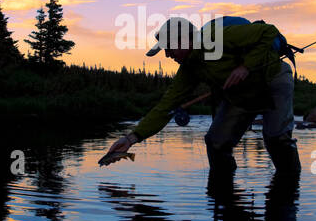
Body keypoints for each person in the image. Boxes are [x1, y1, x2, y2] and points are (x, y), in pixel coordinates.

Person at [106, 16, 301, 178]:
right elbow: (166, 106)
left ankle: (291, 187)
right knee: (216, 143)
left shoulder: (216, 36)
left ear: (184, 40)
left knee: (277, 139)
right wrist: (131, 138)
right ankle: (224, 193)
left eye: (169, 48)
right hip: (240, 94)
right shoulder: (189, 69)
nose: (167, 55)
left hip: (272, 79)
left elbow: (269, 32)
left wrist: (245, 66)